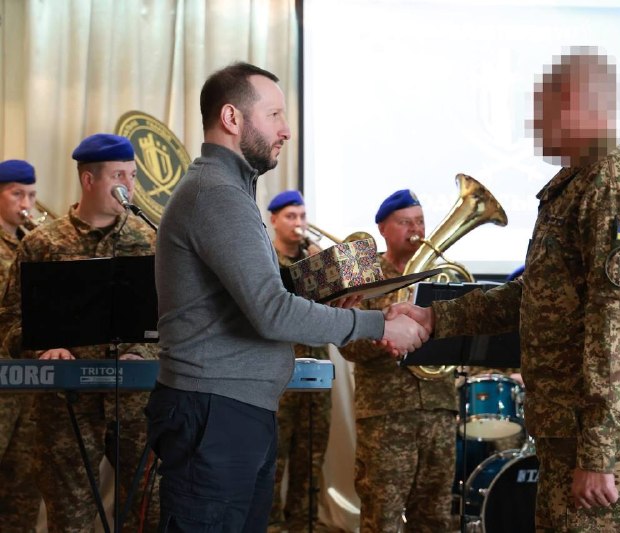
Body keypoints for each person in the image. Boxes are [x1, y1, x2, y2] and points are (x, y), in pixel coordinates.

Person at [388, 47, 620, 530]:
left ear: (577, 104)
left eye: (542, 110)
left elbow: (618, 325)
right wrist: (436, 317)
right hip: (566, 432)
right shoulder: (574, 183)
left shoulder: (613, 181)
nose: (533, 125)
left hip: (601, 444)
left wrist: (598, 452)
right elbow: (535, 294)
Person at [144, 62, 426, 532]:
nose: (286, 131)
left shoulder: (227, 190)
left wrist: (325, 296)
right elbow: (272, 313)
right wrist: (379, 324)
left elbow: (256, 298)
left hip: (229, 410)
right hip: (215, 413)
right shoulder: (217, 193)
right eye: (274, 115)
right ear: (232, 118)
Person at [0, 134, 160, 530]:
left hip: (137, 407)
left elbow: (177, 321)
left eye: (132, 175)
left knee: (148, 515)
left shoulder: (151, 241)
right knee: (69, 520)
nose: (128, 185)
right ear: (88, 180)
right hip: (65, 407)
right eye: (118, 175)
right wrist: (42, 349)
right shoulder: (42, 244)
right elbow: (10, 322)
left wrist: (143, 352)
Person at [338, 189, 457, 532]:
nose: (416, 230)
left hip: (439, 409)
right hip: (385, 414)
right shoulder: (363, 270)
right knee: (383, 516)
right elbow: (347, 343)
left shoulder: (440, 273)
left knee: (435, 517)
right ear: (382, 229)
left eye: (420, 221)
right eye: (405, 222)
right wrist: (386, 336)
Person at [266, 189, 331, 532]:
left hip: (316, 370)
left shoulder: (314, 259)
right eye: (291, 216)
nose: (299, 223)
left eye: (303, 216)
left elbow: (334, 310)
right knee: (273, 457)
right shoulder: (264, 260)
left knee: (312, 457)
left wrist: (323, 269)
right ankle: (271, 526)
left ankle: (304, 524)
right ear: (274, 220)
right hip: (278, 372)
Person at [0, 159, 42, 529]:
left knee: (25, 482)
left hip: (26, 380)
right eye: (17, 194)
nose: (26, 203)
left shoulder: (32, 244)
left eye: (31, 194)